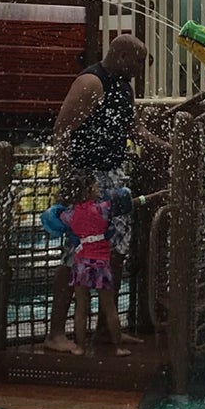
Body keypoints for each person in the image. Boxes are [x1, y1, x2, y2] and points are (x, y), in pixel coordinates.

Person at [44, 34, 153, 354]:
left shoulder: (125, 87)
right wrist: (68, 181)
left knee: (116, 250)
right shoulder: (92, 82)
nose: (140, 69)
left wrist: (167, 147)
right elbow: (62, 130)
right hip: (86, 180)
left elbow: (134, 130)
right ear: (122, 57)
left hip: (113, 178)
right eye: (138, 62)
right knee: (74, 254)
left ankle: (107, 328)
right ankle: (55, 332)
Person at [46, 182, 163, 357]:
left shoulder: (70, 214)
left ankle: (80, 347)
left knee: (81, 308)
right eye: (94, 188)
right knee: (110, 307)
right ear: (88, 193)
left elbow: (54, 220)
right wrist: (153, 197)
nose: (98, 189)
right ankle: (118, 347)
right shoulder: (103, 209)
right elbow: (129, 203)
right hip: (100, 264)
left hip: (81, 264)